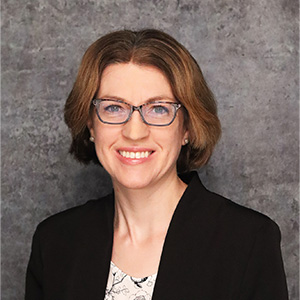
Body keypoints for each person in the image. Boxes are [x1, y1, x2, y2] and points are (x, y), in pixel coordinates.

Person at [25, 29, 289, 300]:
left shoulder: (248, 241)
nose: (134, 132)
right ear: (91, 124)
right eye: (114, 107)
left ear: (187, 127)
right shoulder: (55, 242)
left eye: (159, 108)